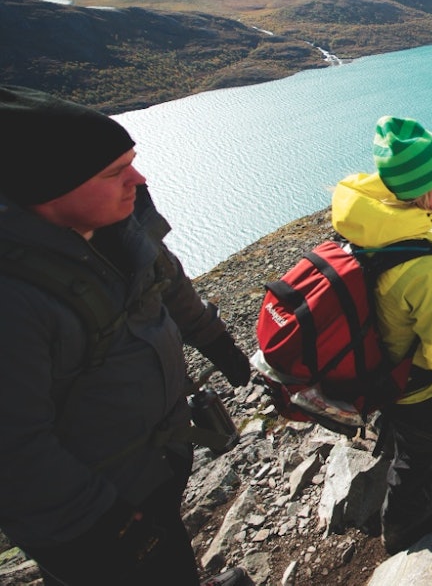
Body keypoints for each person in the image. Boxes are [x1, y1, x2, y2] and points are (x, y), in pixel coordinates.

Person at [0, 86, 253, 586]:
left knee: (170, 557)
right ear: (47, 189)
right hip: (100, 499)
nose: (138, 179)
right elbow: (14, 447)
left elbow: (167, 281)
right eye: (115, 172)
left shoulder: (119, 222)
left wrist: (213, 338)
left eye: (131, 162)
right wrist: (105, 526)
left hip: (152, 460)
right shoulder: (14, 299)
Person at [330, 116, 432, 555]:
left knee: (409, 440)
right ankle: (403, 534)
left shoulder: (372, 224)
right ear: (422, 190)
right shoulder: (423, 266)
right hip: (414, 385)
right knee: (418, 456)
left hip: (378, 360)